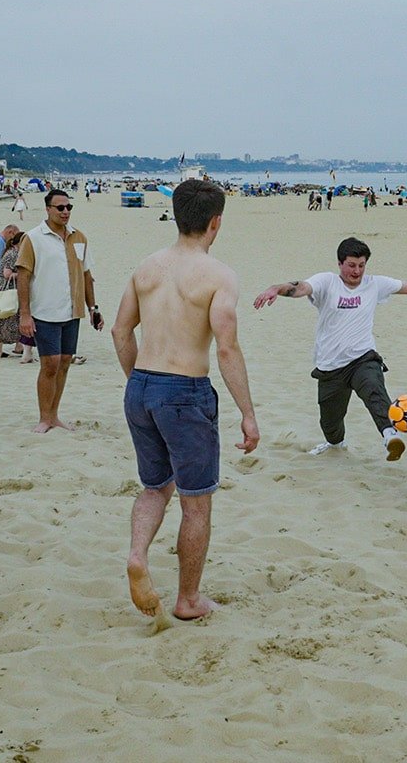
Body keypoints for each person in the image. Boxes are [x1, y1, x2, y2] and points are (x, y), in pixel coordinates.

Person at [111, 179, 259, 622]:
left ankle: (138, 554)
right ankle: (188, 599)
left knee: (155, 485)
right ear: (216, 222)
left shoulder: (146, 267)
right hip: (185, 392)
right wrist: (248, 414)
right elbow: (227, 348)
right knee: (196, 501)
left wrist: (140, 381)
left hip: (141, 387)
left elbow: (120, 331)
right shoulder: (219, 276)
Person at [253, 238, 407, 460]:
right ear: (340, 263)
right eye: (352, 265)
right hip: (330, 366)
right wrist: (276, 288)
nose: (357, 271)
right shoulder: (327, 282)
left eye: (361, 265)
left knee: (374, 389)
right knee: (330, 422)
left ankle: (390, 435)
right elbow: (301, 287)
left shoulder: (374, 284)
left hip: (362, 359)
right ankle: (335, 443)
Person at [16, 189, 101, 432]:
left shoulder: (79, 238)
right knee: (49, 364)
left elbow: (86, 275)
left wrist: (93, 308)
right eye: (60, 208)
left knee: (64, 362)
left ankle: (54, 414)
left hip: (72, 312)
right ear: (48, 210)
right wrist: (24, 313)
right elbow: (23, 275)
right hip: (44, 312)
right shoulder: (33, 238)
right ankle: (44, 417)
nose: (65, 212)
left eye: (68, 207)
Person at [0, 229, 32, 360]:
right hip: (7, 289)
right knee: (4, 317)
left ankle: (17, 347)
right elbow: (7, 274)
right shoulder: (14, 254)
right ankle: (3, 350)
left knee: (8, 318)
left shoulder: (11, 252)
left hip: (3, 288)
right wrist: (24, 275)